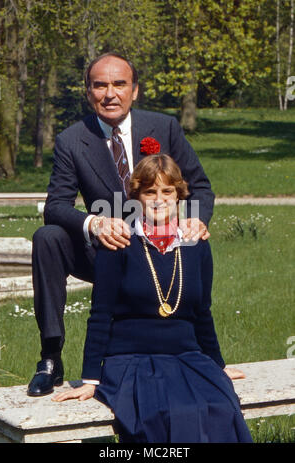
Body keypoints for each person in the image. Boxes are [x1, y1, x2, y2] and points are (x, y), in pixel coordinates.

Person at [27, 52, 216, 397]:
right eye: (99, 85)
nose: (109, 93)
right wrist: (95, 223)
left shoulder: (164, 128)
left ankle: (196, 349)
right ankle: (50, 357)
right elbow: (55, 207)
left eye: (119, 84)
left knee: (196, 246)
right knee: (48, 237)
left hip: (160, 258)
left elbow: (200, 187)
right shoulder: (72, 140)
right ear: (88, 92)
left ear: (135, 90)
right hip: (106, 255)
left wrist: (194, 221)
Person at [52, 154, 252, 443]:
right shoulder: (118, 242)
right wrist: (91, 380)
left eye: (167, 191)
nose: (159, 199)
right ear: (137, 197)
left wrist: (217, 365)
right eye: (150, 192)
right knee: (162, 414)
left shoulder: (196, 245)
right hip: (131, 361)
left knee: (218, 406)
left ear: (180, 195)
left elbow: (202, 312)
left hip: (187, 357)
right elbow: (100, 314)